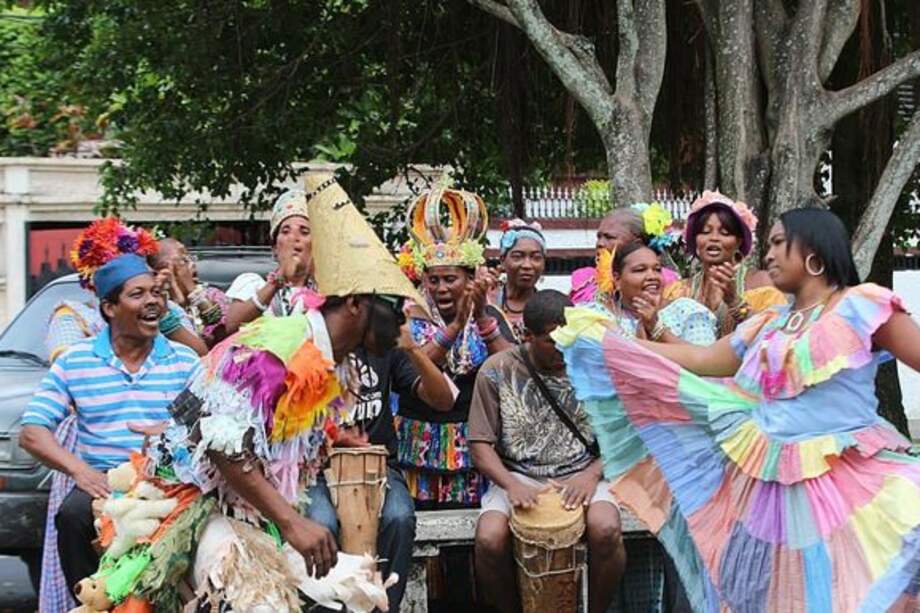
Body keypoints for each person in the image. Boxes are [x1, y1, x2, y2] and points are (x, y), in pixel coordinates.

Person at [79, 174, 429, 611]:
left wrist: (336, 440)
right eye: (393, 311)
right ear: (356, 306)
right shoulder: (276, 350)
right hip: (192, 499)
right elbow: (224, 449)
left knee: (353, 591)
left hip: (248, 507)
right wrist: (294, 524)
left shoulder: (332, 361)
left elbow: (273, 434)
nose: (403, 326)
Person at [554, 207, 920, 611]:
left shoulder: (860, 305)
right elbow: (702, 360)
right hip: (774, 484)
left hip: (851, 475)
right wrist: (614, 345)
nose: (768, 254)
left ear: (815, 252)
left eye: (780, 243)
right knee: (787, 596)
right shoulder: (769, 324)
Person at [19, 252, 201, 596]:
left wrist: (174, 432)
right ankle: (88, 602)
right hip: (104, 483)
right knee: (71, 516)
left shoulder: (184, 361)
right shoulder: (77, 360)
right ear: (109, 308)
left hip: (170, 486)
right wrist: (81, 472)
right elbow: (32, 432)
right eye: (138, 295)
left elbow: (210, 427)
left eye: (156, 294)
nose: (152, 302)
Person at [470, 290, 626, 613]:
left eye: (567, 337)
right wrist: (512, 484)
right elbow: (480, 447)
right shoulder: (496, 370)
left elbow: (621, 437)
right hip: (517, 473)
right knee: (488, 539)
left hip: (583, 471)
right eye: (551, 340)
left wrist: (591, 474)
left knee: (606, 528)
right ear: (527, 336)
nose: (562, 347)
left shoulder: (597, 368)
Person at [304, 325, 454, 612]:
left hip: (380, 468)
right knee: (321, 524)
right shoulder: (309, 344)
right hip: (316, 471)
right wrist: (334, 436)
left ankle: (384, 606)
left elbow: (443, 400)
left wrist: (412, 350)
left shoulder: (386, 347)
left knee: (399, 517)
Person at [396, 184, 515, 508]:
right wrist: (454, 327)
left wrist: (478, 316)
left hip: (474, 447)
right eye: (434, 280)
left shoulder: (489, 316)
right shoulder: (410, 318)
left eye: (451, 279)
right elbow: (418, 364)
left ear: (469, 279)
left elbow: (510, 368)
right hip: (418, 446)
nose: (441, 288)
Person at [663, 190, 785, 336]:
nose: (714, 238)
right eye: (705, 232)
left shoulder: (763, 283)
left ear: (739, 241)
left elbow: (776, 336)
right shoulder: (677, 291)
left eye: (725, 233)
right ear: (696, 240)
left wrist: (735, 302)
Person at [225, 188, 321, 332]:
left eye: (304, 232)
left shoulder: (327, 293)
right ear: (275, 248)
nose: (294, 238)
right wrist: (278, 280)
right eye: (285, 231)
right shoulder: (253, 285)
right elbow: (232, 326)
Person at [605, 241, 717, 346]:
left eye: (657, 269)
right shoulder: (598, 316)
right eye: (640, 270)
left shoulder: (686, 311)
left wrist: (656, 327)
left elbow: (705, 360)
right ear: (617, 279)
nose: (652, 276)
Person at [570, 206, 681, 306]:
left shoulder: (666, 282)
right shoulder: (586, 281)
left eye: (609, 237)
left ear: (636, 242)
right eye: (599, 237)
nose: (600, 243)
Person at [148, 237, 231, 349]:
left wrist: (193, 291)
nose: (192, 265)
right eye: (184, 261)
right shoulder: (155, 304)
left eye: (191, 258)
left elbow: (224, 336)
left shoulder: (211, 294)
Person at [490, 219, 546, 342]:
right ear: (502, 261)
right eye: (517, 256)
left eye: (536, 258)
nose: (527, 265)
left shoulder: (547, 308)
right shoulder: (488, 301)